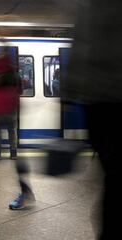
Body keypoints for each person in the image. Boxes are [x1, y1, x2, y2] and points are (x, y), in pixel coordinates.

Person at [60, 0, 122, 238]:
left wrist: (67, 96)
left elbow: (80, 50)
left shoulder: (91, 7)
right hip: (107, 102)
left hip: (100, 104)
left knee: (113, 175)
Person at [0, 49, 34, 210]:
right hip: (11, 109)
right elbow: (20, 91)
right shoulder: (15, 75)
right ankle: (13, 154)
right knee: (12, 131)